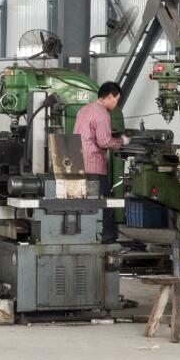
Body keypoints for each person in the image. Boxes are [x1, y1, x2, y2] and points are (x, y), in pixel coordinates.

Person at [74, 81, 130, 243]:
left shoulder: (84, 110)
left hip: (77, 163)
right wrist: (122, 141)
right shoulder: (102, 115)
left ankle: (84, 235)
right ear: (110, 96)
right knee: (105, 203)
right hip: (94, 167)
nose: (116, 104)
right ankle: (108, 237)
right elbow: (104, 142)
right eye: (116, 100)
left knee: (83, 203)